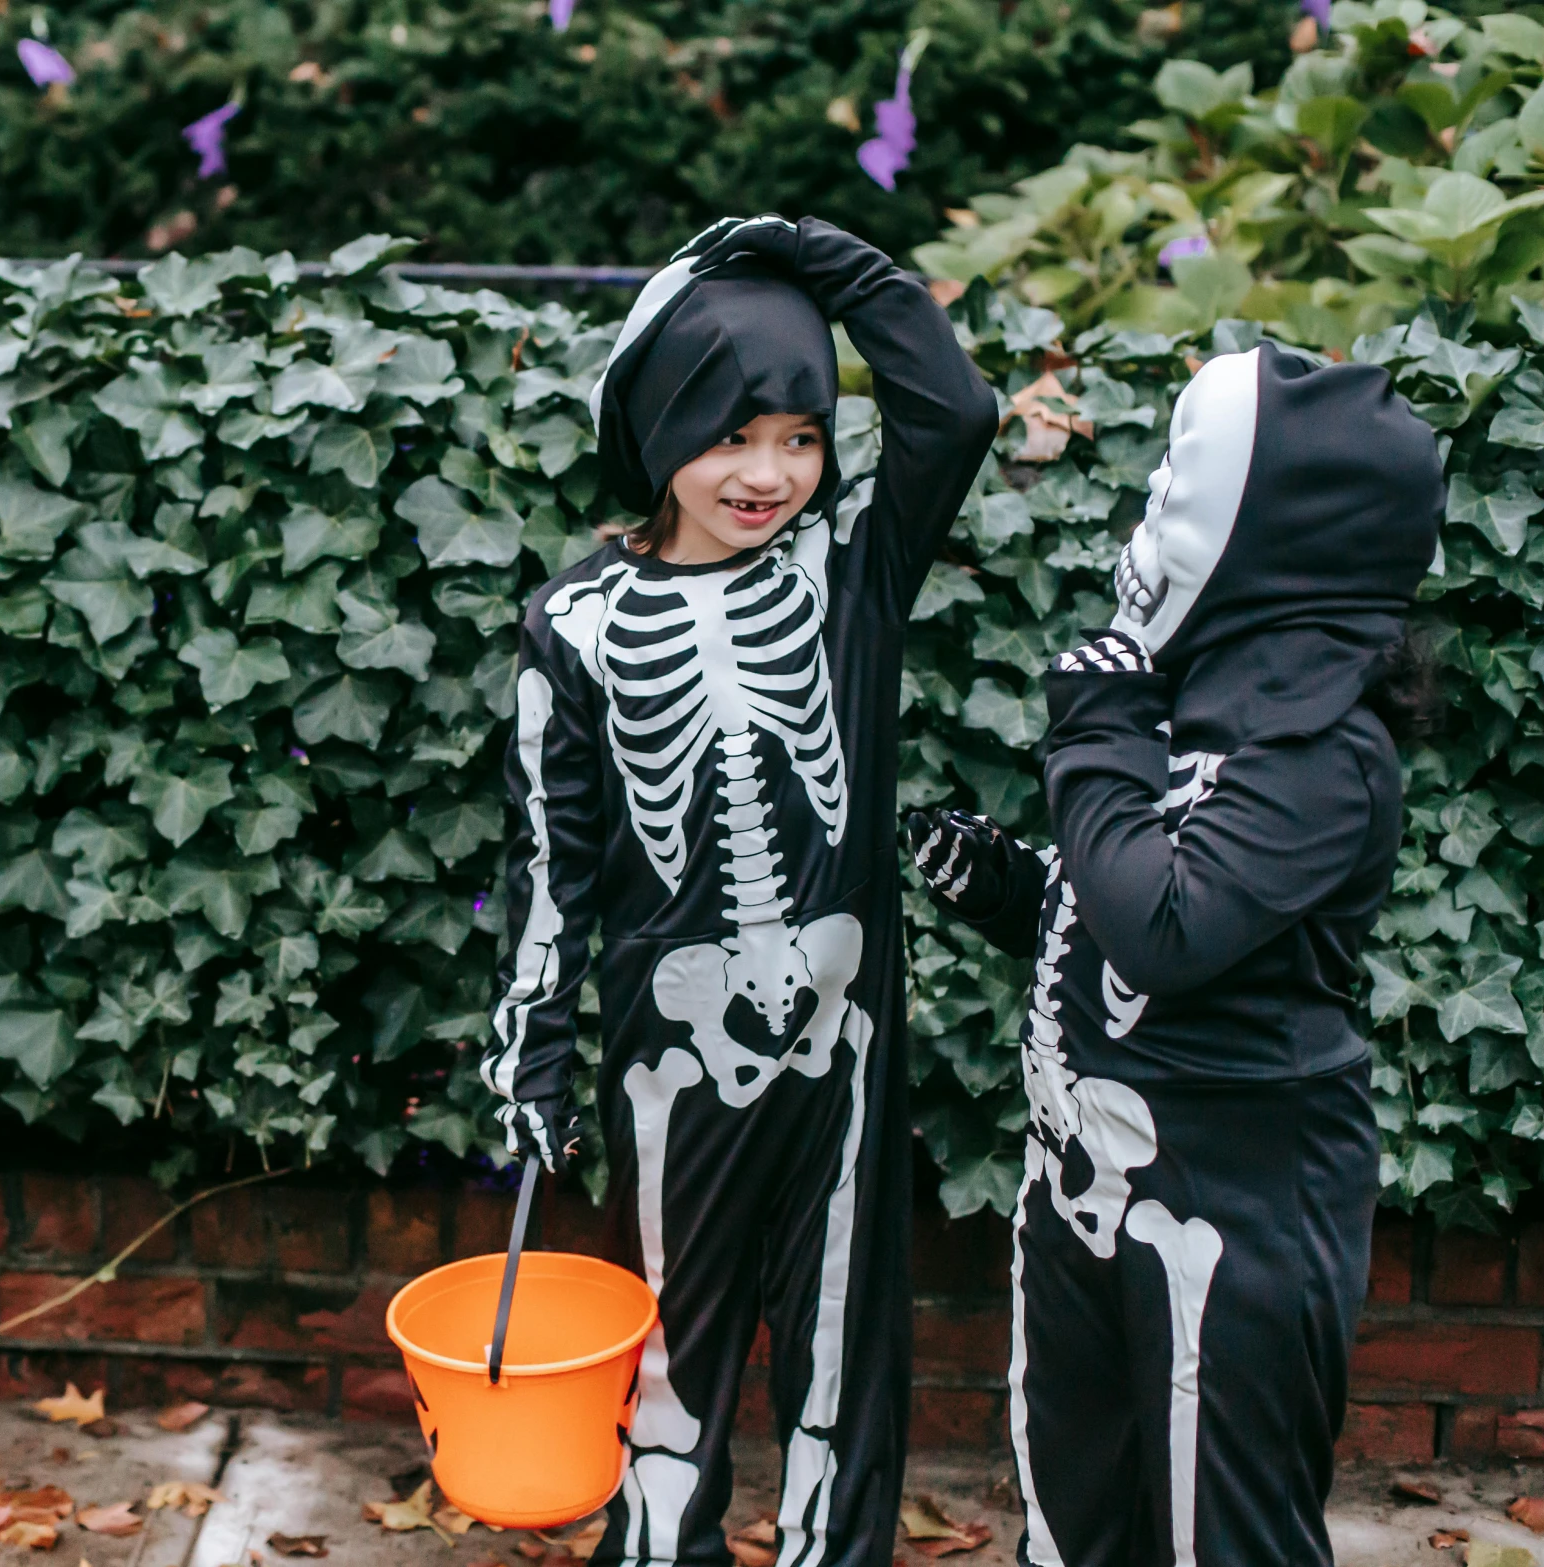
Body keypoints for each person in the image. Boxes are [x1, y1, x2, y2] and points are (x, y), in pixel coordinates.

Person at [480, 214, 996, 1567]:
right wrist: (528, 1051)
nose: (766, 472)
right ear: (658, 430)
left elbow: (954, 407)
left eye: (802, 435)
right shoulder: (575, 624)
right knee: (672, 1332)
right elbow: (553, 858)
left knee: (840, 1331)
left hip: (844, 1026)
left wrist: (824, 258)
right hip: (671, 1042)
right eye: (728, 434)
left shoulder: (849, 574)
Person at [904, 344, 1442, 1567]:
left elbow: (1171, 926)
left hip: (1231, 1205)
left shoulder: (1323, 756)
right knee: (1074, 1503)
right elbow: (1128, 901)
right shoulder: (1196, 699)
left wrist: (1094, 731)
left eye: (1173, 498)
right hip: (1084, 1185)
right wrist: (1013, 892)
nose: (1143, 528)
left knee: (1220, 1531)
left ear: (1274, 541)